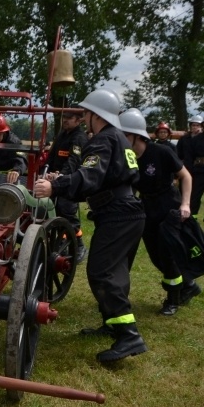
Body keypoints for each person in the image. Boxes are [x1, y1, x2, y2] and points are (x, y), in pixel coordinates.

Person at [33, 89, 146, 363]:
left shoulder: (103, 141)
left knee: (101, 272)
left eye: (86, 113)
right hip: (127, 212)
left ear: (96, 115)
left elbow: (90, 177)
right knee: (117, 273)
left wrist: (55, 185)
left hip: (118, 215)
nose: (84, 118)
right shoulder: (118, 139)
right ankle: (113, 324)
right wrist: (66, 182)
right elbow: (97, 181)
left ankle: (129, 336)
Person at [119, 108, 201, 316]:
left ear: (136, 135)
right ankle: (189, 285)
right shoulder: (129, 157)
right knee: (156, 257)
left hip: (167, 208)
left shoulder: (161, 152)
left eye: (124, 135)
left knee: (168, 256)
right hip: (146, 210)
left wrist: (185, 204)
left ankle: (173, 299)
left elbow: (186, 176)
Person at [45, 109, 89, 262]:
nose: (65, 120)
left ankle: (80, 246)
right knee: (53, 211)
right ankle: (60, 243)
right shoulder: (62, 135)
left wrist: (61, 176)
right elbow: (51, 156)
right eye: (64, 117)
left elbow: (73, 160)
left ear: (78, 121)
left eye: (69, 118)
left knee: (67, 213)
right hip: (55, 180)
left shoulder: (79, 138)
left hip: (70, 183)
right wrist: (46, 170)